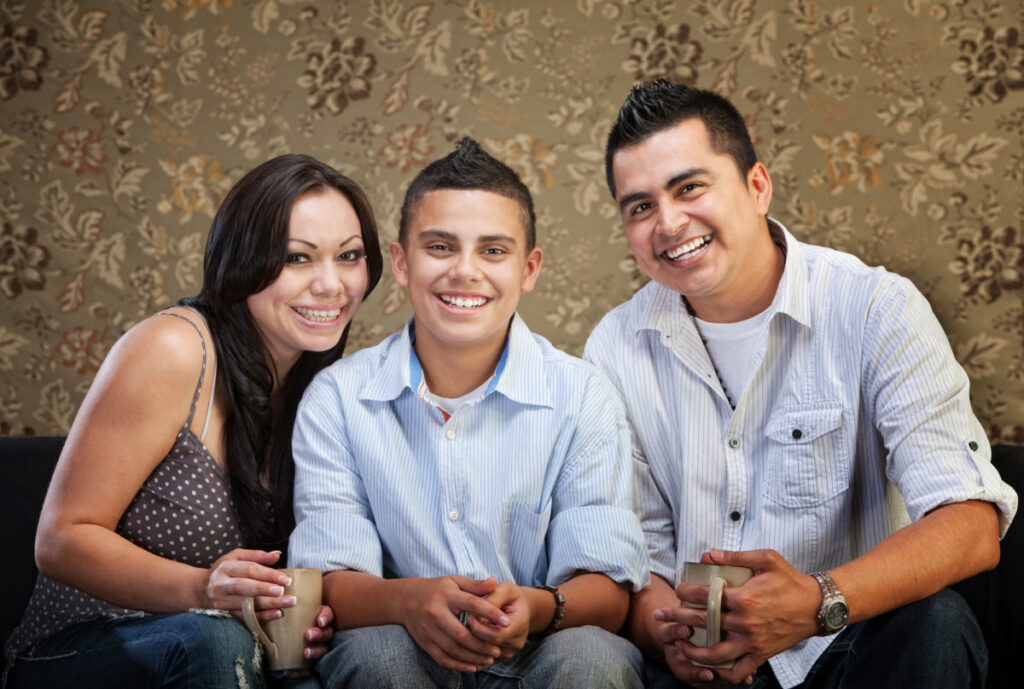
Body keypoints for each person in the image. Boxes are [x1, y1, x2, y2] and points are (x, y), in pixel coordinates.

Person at [583, 79, 1018, 689]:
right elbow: (638, 557)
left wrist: (816, 603)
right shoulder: (614, 348)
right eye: (640, 206)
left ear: (757, 186)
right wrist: (673, 638)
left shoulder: (874, 308)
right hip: (705, 675)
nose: (669, 222)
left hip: (849, 650)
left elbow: (970, 524)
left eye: (690, 187)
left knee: (937, 622)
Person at [4, 154, 383, 688]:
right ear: (243, 261)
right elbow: (61, 540)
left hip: (222, 661)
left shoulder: (326, 390)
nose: (332, 284)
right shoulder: (175, 348)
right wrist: (205, 588)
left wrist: (302, 619)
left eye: (349, 256)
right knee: (214, 639)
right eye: (297, 258)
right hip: (75, 653)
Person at [288, 137, 649, 689]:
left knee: (594, 655)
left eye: (493, 251)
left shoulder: (582, 395)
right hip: (402, 644)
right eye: (440, 247)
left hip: (541, 649)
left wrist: (535, 607)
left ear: (528, 269)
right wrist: (409, 599)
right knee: (376, 655)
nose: (465, 271)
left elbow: (608, 590)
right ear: (403, 263)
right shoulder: (337, 397)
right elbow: (329, 576)